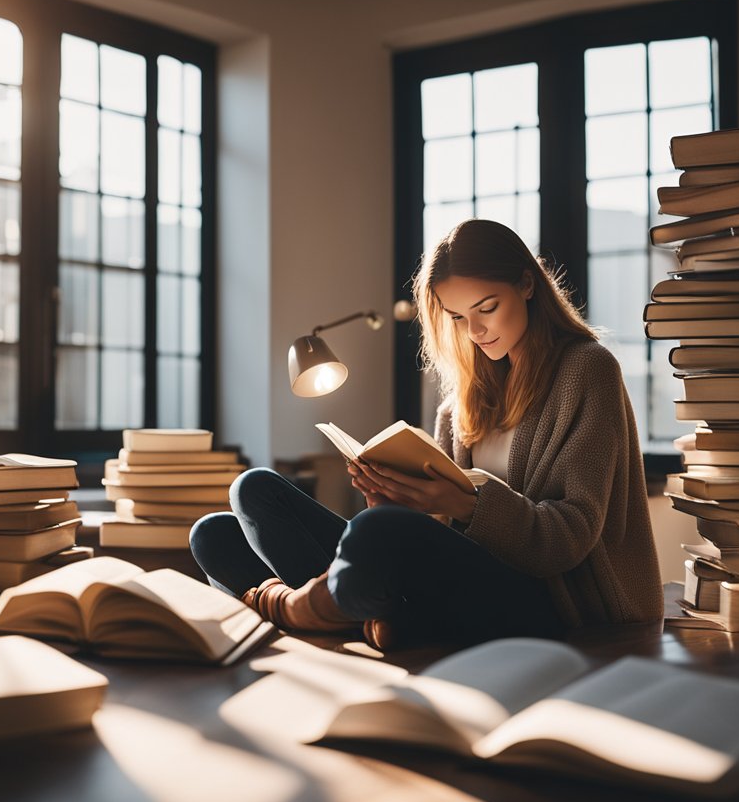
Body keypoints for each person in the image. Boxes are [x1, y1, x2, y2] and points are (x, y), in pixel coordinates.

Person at [189, 219, 663, 649]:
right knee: (234, 512)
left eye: (486, 308)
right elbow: (438, 540)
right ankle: (369, 617)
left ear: (526, 283)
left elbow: (569, 539)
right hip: (456, 586)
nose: (474, 330)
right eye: (457, 317)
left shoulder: (586, 370)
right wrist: (399, 500)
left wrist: (463, 504)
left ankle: (301, 607)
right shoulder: (463, 397)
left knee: (375, 534)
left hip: (555, 602)